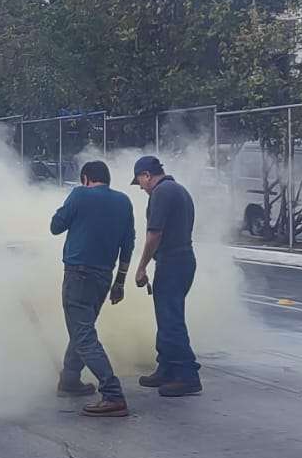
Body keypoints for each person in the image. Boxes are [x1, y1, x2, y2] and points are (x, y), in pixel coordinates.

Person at [49, 160, 136, 417]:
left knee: (83, 334)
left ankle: (112, 394)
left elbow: (55, 227)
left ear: (86, 178)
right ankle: (70, 380)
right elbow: (128, 245)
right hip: (104, 277)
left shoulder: (79, 195)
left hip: (78, 275)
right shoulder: (123, 202)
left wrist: (68, 204)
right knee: (82, 328)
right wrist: (120, 282)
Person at [130, 156, 202, 397]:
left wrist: (141, 267)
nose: (140, 187)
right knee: (167, 316)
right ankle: (167, 368)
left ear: (147, 175)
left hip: (172, 261)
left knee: (171, 320)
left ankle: (187, 375)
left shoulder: (161, 193)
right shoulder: (179, 190)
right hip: (182, 259)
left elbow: (154, 234)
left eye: (140, 180)